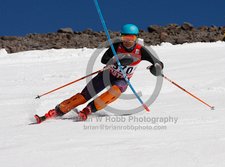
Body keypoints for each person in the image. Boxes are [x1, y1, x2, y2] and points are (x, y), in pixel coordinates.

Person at [34, 24, 164, 123]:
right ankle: (56, 111)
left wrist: (156, 68)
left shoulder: (140, 50)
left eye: (131, 38)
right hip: (107, 75)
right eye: (125, 37)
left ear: (136, 38)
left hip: (122, 80)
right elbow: (104, 59)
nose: (128, 41)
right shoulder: (116, 46)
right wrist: (117, 60)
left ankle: (89, 109)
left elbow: (158, 63)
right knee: (83, 96)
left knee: (115, 92)